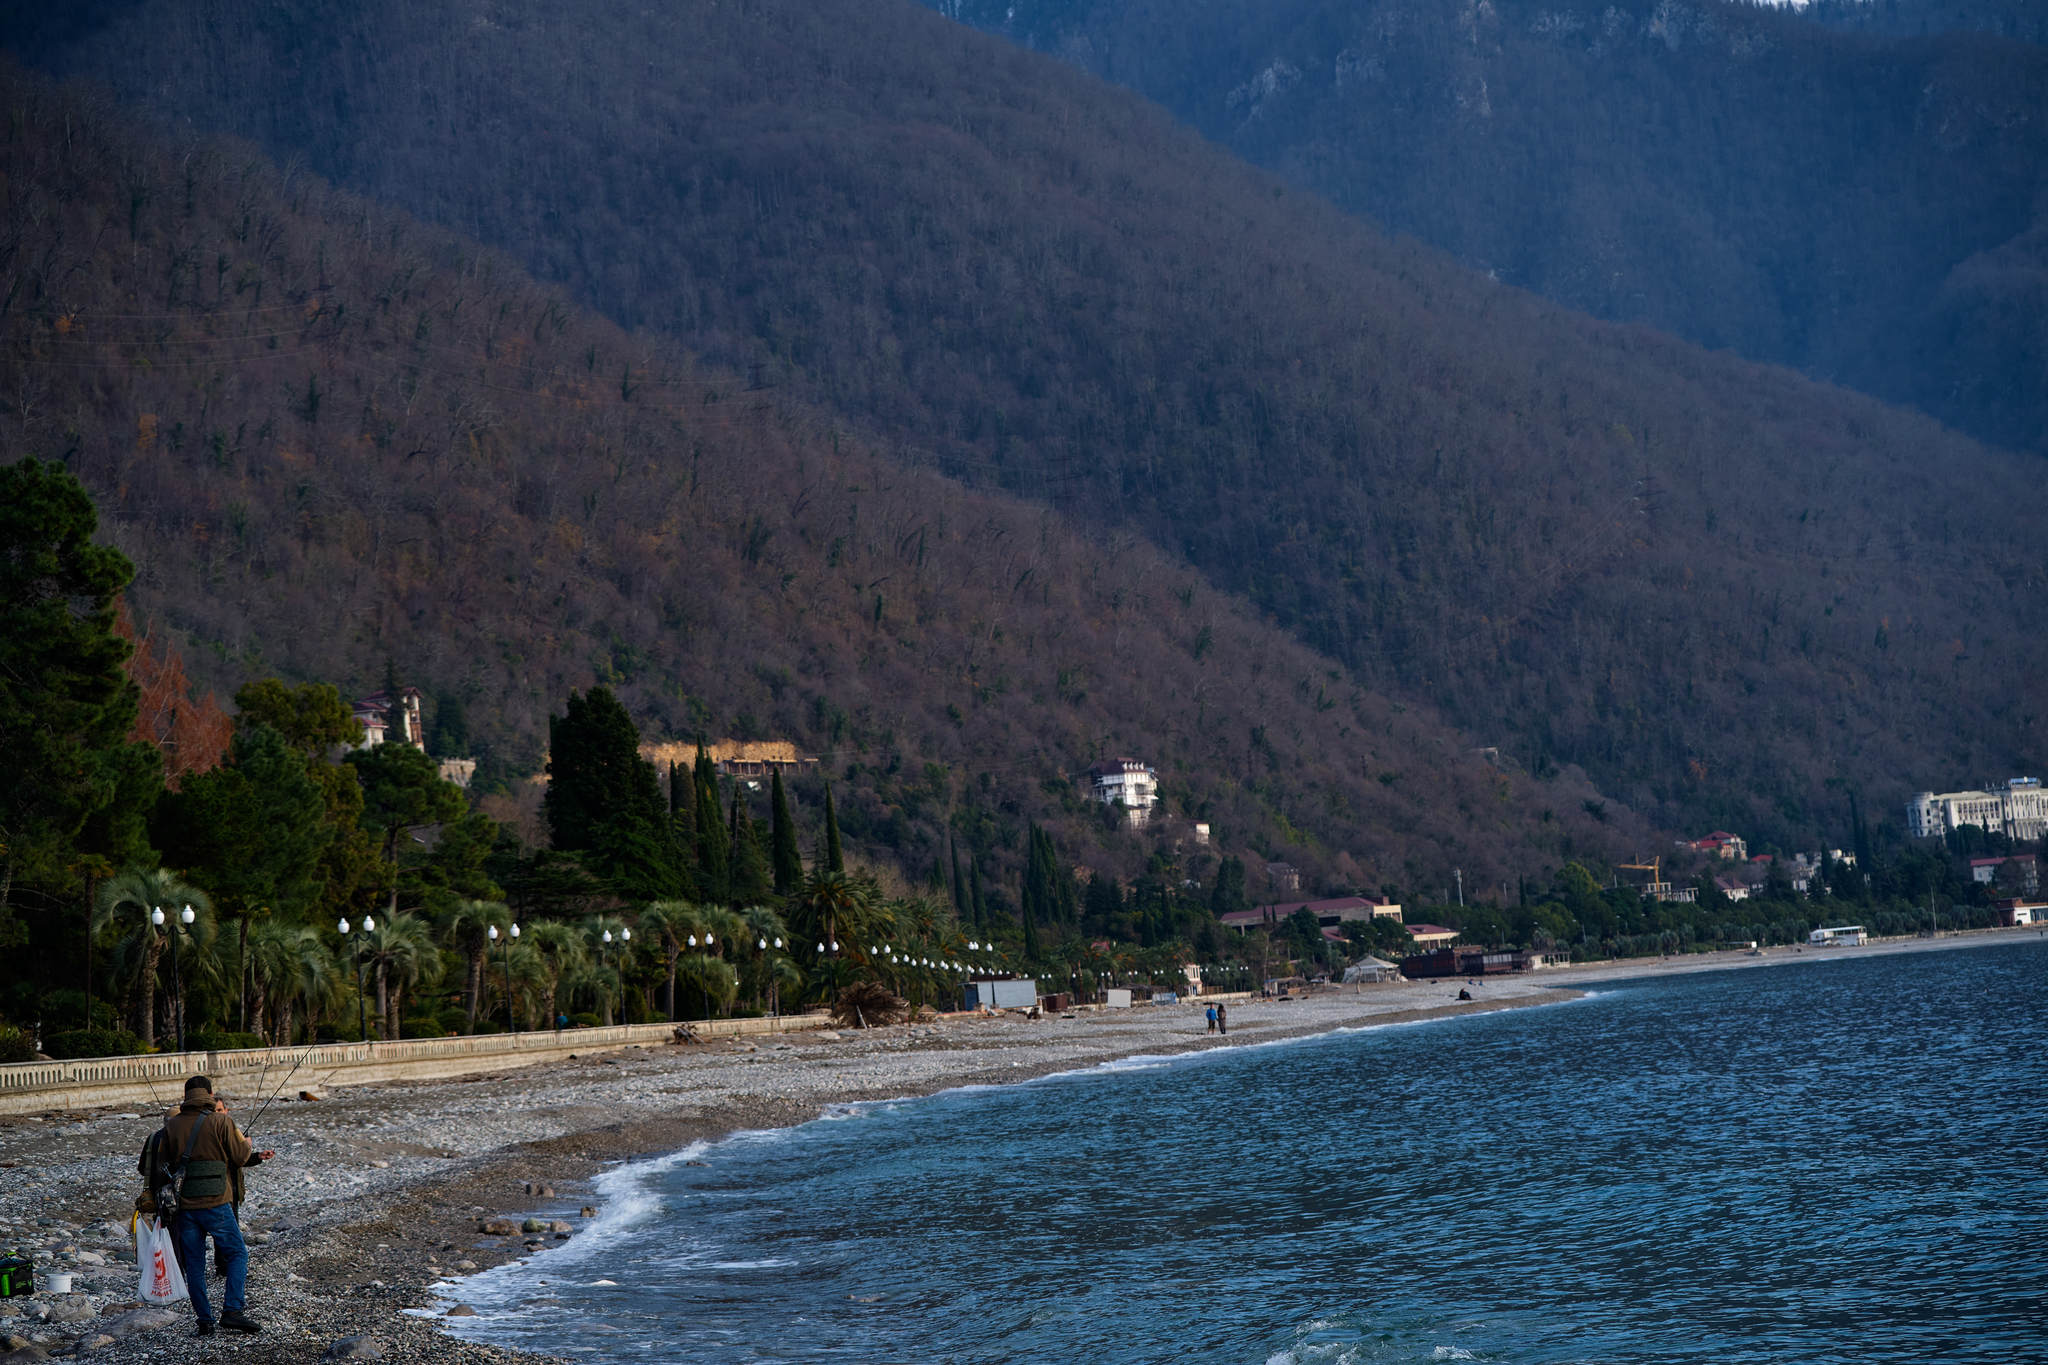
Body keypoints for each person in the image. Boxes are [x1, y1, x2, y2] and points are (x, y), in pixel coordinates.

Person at [140, 1076, 271, 1336]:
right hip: (217, 1203)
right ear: (210, 1095)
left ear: (187, 1096)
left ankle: (205, 1321)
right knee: (237, 1254)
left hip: (185, 1207)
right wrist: (247, 1145)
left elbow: (162, 1165)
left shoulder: (172, 1126)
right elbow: (240, 1157)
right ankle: (232, 1310)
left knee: (194, 1263)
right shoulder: (223, 1121)